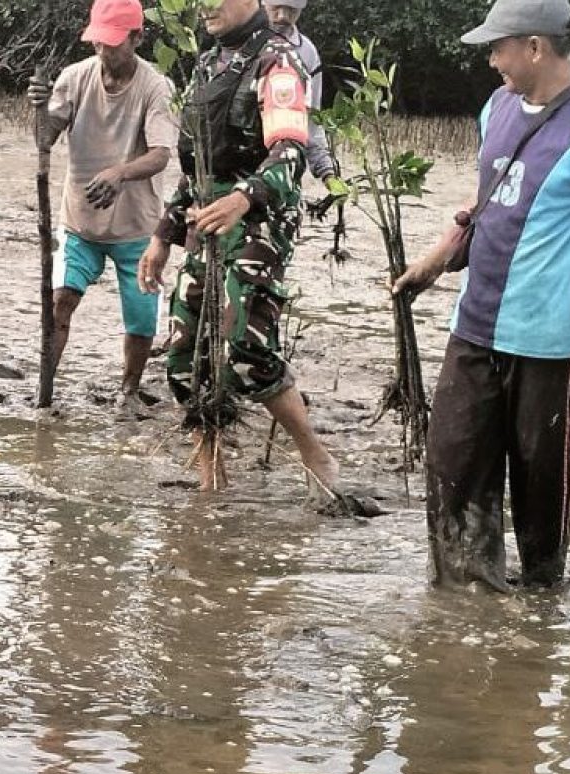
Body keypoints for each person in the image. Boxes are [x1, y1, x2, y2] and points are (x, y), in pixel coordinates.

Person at [392, 0, 570, 589]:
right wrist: (434, 262)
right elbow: (486, 200)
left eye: (498, 47)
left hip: (550, 339)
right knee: (453, 464)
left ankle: (541, 597)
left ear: (535, 46)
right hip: (475, 324)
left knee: (540, 487)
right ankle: (465, 599)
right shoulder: (497, 107)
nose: (491, 61)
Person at [135, 0, 342, 499]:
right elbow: (197, 167)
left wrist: (243, 198)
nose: (205, 6)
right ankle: (211, 475)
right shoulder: (207, 63)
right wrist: (162, 235)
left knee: (246, 349)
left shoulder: (279, 61)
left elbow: (290, 151)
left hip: (259, 221)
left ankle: (314, 454)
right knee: (184, 353)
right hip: (206, 217)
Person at [28, 0, 178, 405]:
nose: (103, 51)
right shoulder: (74, 78)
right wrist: (39, 109)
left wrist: (119, 172)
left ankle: (129, 390)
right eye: (98, 42)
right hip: (80, 222)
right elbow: (44, 139)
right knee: (60, 301)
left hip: (136, 228)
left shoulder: (156, 87)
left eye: (113, 43)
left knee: (141, 320)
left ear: (137, 38)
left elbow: (161, 154)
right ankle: (44, 391)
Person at [262, 0, 337, 181]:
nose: (282, 16)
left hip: (285, 173)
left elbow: (312, 122)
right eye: (276, 7)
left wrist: (327, 172)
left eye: (291, 10)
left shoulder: (307, 53)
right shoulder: (238, 44)